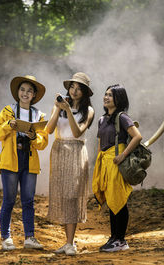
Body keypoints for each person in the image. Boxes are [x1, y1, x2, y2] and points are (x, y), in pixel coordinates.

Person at [0, 74, 49, 251]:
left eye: (29, 91)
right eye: (22, 90)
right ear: (17, 92)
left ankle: (30, 237)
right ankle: (6, 238)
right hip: (11, 158)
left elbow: (42, 143)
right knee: (9, 200)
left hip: (29, 160)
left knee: (28, 200)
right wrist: (9, 124)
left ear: (34, 95)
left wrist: (33, 136)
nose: (25, 93)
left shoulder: (39, 115)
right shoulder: (8, 111)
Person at [46, 72, 95, 256]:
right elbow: (49, 130)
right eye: (72, 87)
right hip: (58, 150)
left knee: (72, 195)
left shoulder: (88, 111)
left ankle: (70, 243)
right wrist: (58, 109)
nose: (74, 91)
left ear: (84, 93)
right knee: (62, 195)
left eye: (79, 89)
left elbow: (76, 132)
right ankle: (67, 242)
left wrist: (67, 110)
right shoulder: (58, 106)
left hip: (75, 151)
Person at [92, 84, 142, 252]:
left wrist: (123, 155)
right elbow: (100, 144)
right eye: (105, 94)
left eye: (110, 95)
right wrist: (98, 163)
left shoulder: (122, 117)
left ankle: (121, 240)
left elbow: (137, 136)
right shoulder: (102, 119)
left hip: (117, 162)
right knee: (112, 200)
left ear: (118, 99)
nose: (106, 97)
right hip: (106, 163)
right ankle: (113, 238)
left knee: (119, 200)